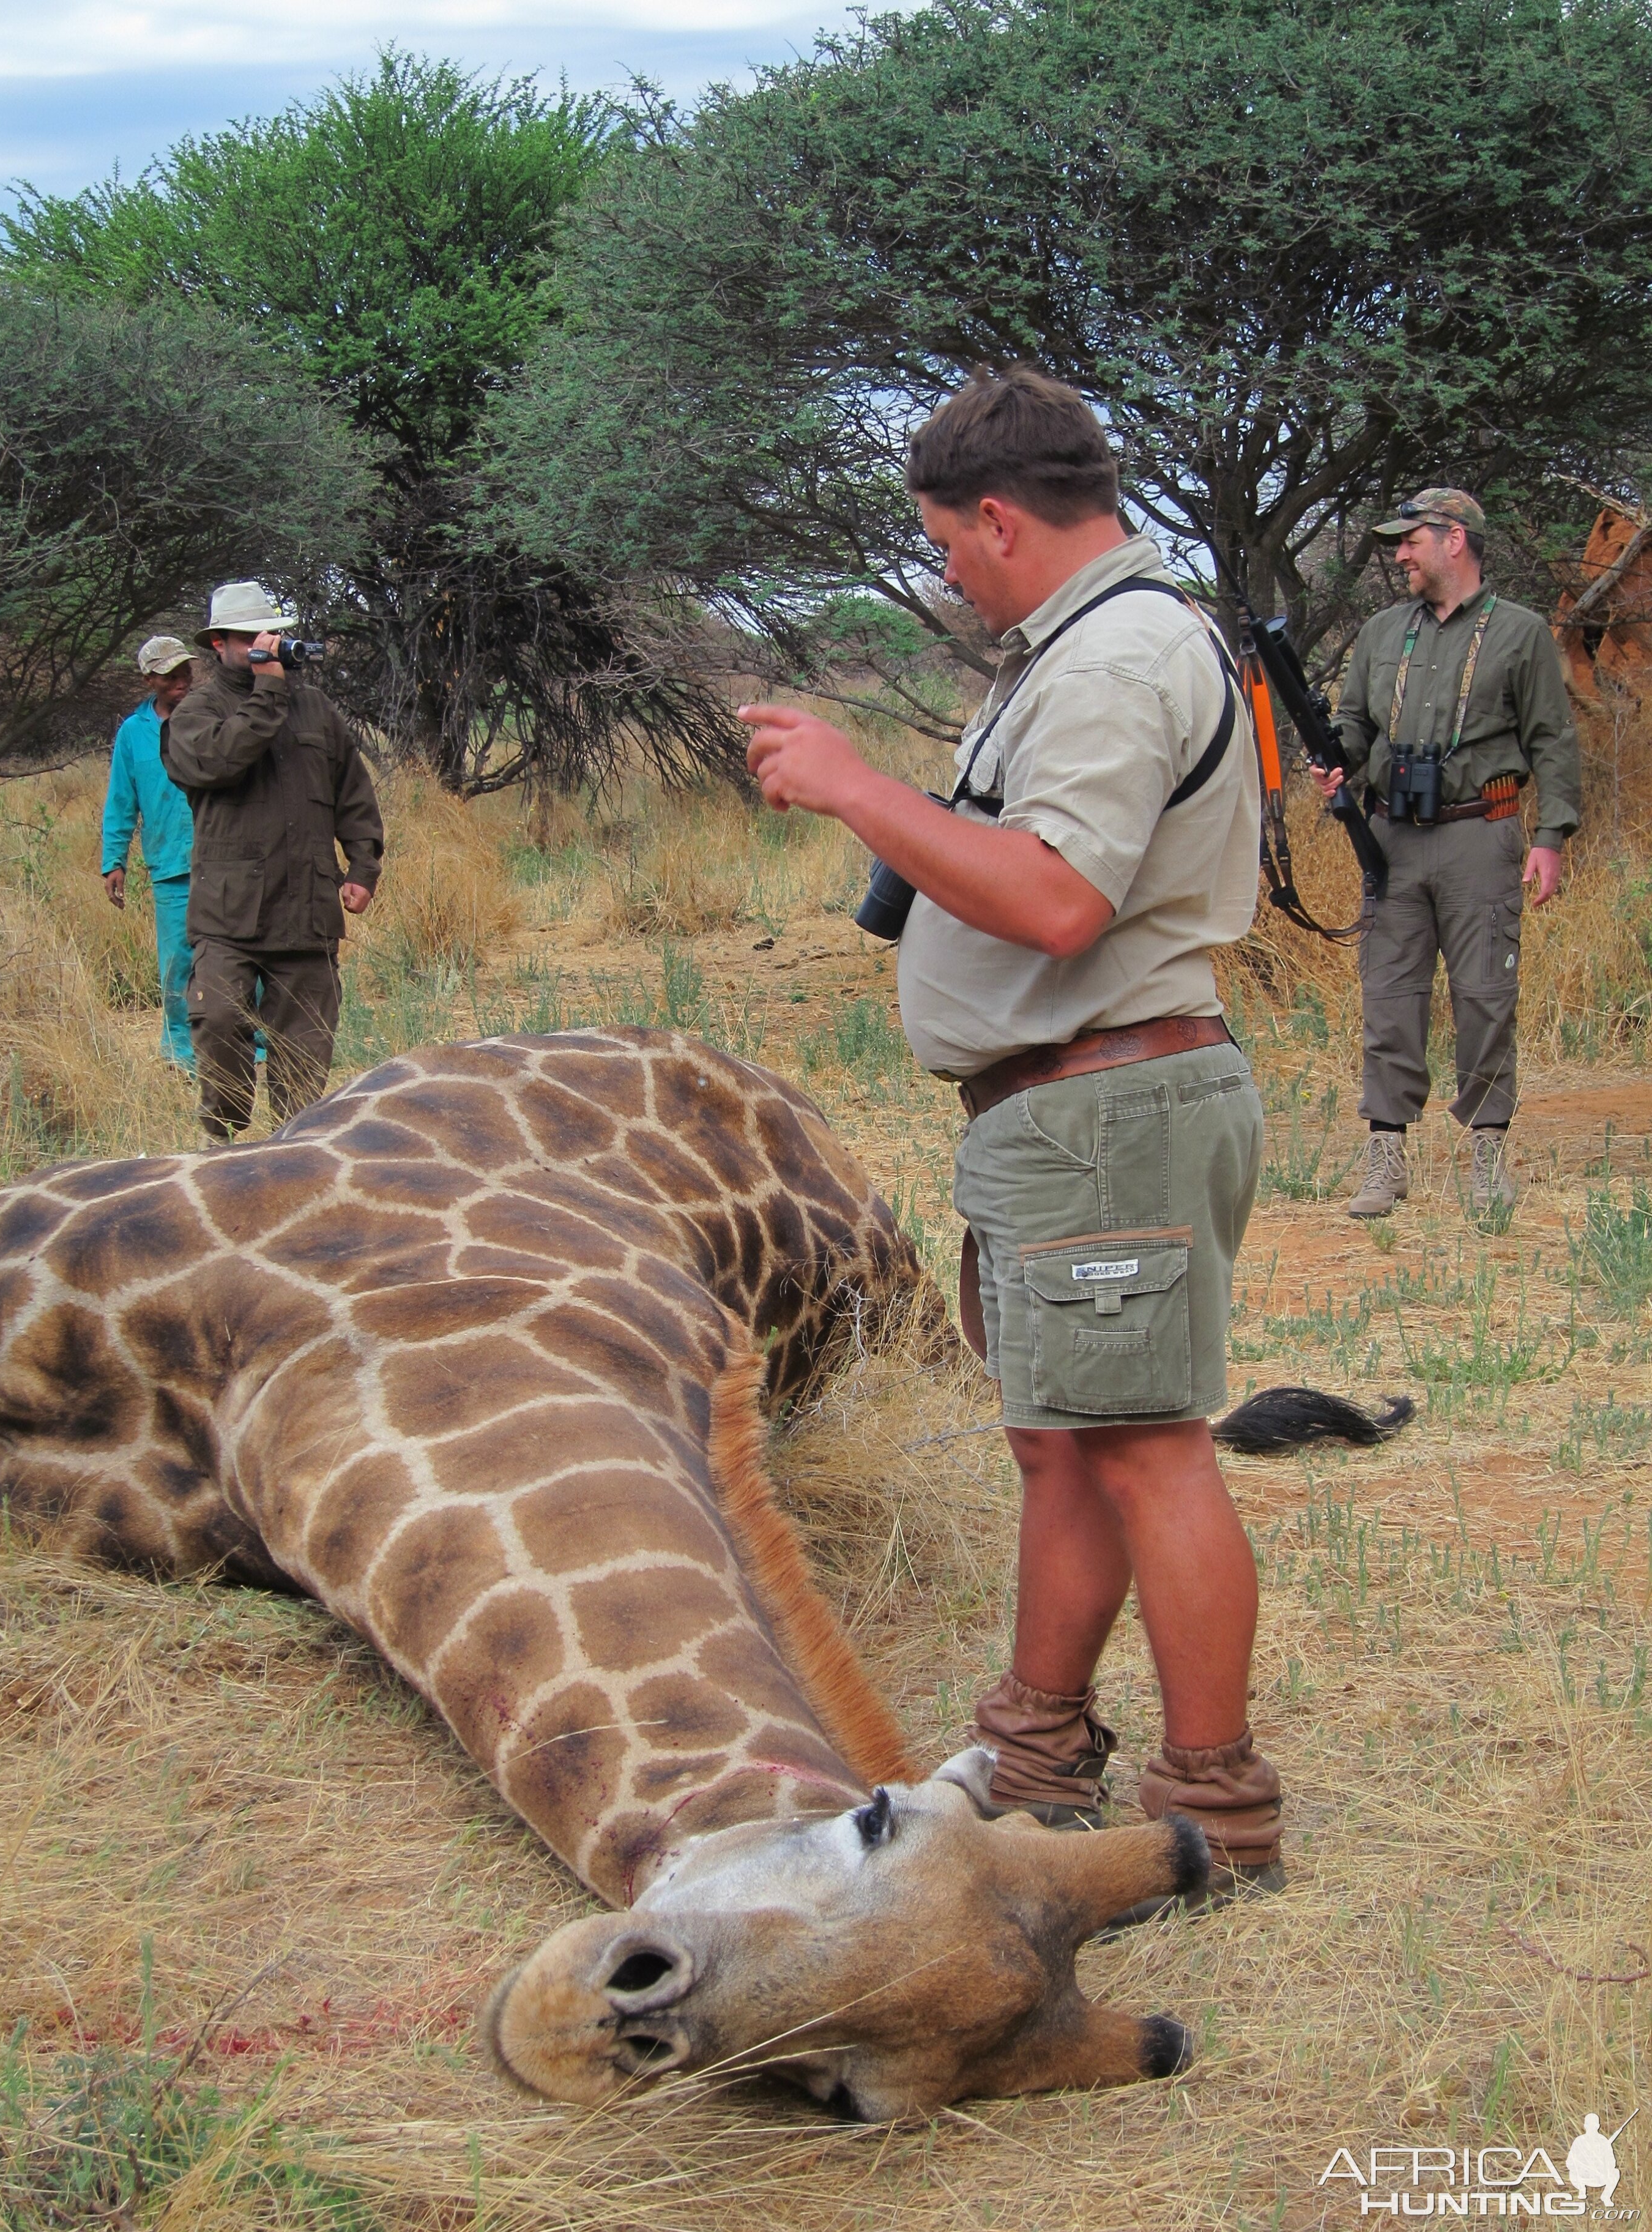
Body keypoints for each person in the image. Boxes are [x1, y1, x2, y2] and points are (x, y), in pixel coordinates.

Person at [740, 366, 1282, 1886]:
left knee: (1146, 1451)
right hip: (1073, 1108)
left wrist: (855, 789)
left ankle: (1214, 1813)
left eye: (942, 545)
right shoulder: (1091, 644)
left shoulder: (1108, 661)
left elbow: (1052, 899)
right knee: (1066, 1443)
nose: (943, 574)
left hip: (1105, 1100)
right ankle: (1037, 1746)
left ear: (993, 516)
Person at [1312, 490, 1580, 1220]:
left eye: (1411, 541)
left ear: (1454, 539)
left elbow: (1553, 739)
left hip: (1480, 832)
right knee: (1390, 996)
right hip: (1391, 837)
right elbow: (1355, 722)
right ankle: (1385, 1157)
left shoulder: (1521, 634)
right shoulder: (1379, 632)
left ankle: (1487, 1150)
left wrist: (1552, 835)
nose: (1400, 555)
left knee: (1485, 996)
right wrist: (1338, 761)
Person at [163, 581, 384, 1143]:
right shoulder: (195, 713)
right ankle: (224, 1137)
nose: (268, 643)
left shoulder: (314, 708)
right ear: (219, 643)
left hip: (306, 911)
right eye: (252, 637)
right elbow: (218, 763)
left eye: (275, 633)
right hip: (228, 915)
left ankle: (293, 1159)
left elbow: (352, 791)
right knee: (216, 1020)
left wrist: (362, 867)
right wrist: (267, 692)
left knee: (305, 1057)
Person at [100, 638, 198, 1070]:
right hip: (169, 865)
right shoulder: (133, 734)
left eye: (185, 674)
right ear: (150, 680)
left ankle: (250, 1044)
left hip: (223, 861)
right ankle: (180, 1050)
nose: (181, 683)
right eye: (171, 676)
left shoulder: (208, 717)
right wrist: (114, 861)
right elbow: (121, 801)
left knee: (235, 957)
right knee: (178, 961)